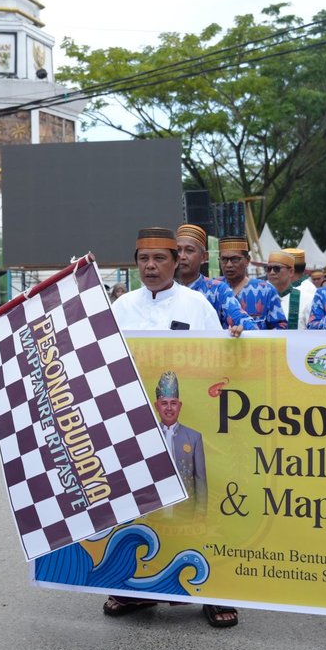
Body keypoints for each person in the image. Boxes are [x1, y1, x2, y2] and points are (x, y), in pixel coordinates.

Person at [107, 227, 239, 628]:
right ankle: (132, 590)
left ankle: (212, 592)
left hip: (188, 421)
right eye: (143, 259)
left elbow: (220, 361)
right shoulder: (121, 307)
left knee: (196, 502)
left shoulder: (197, 304)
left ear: (176, 261)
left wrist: (235, 341)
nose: (150, 266)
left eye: (159, 258)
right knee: (137, 502)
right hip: (135, 423)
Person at [173, 225, 255, 331]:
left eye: (189, 250)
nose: (182, 256)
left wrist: (239, 329)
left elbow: (246, 324)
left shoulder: (217, 290)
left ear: (204, 257)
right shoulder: (164, 289)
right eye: (178, 251)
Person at [153, 371, 208, 512]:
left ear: (180, 405)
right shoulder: (148, 436)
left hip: (185, 512)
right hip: (155, 511)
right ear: (157, 406)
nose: (169, 408)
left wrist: (201, 513)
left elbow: (200, 480)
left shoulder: (194, 437)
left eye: (173, 403)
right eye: (164, 403)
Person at [219, 236, 286, 328]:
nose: (229, 265)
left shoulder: (265, 290)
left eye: (235, 259)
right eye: (224, 260)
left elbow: (280, 327)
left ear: (247, 260)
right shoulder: (214, 290)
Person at [264, 250, 305, 330]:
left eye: (277, 268)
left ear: (291, 272)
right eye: (268, 268)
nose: (272, 272)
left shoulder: (306, 299)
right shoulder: (260, 298)